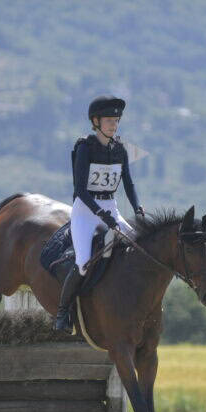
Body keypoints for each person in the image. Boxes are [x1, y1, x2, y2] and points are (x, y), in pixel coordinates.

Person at [54, 95, 145, 332]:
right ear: (96, 122)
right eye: (109, 120)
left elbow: (129, 185)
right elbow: (80, 191)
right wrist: (100, 215)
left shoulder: (120, 150)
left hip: (110, 207)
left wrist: (138, 209)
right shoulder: (85, 147)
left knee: (139, 249)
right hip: (85, 210)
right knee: (83, 262)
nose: (114, 125)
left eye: (116, 120)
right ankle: (63, 313)